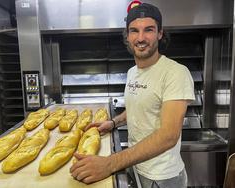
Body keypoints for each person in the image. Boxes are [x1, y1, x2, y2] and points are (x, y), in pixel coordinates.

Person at [70, 2, 195, 188]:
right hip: (133, 166)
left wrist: (110, 163)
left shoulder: (175, 72)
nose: (141, 38)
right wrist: (113, 123)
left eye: (149, 30)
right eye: (134, 30)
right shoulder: (132, 72)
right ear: (127, 36)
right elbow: (138, 107)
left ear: (160, 33)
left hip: (161, 177)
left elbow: (169, 135)